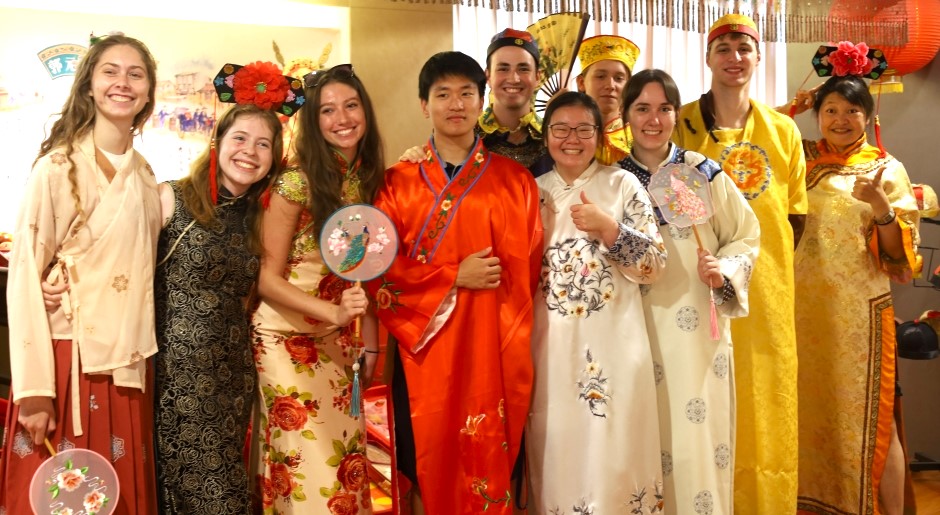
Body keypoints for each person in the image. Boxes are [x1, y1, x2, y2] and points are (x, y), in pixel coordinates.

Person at [369, 51, 542, 514]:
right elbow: (378, 272)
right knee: (427, 457)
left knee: (491, 460)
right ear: (424, 105)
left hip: (493, 345)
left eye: (467, 93)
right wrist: (452, 277)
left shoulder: (515, 181)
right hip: (425, 351)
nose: (455, 104)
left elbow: (528, 273)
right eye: (442, 94)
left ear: (481, 100)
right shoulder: (396, 183)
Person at [0, 34, 161, 514]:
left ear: (149, 92)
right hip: (66, 357)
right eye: (110, 71)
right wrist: (33, 391)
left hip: (127, 364)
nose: (123, 83)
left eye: (136, 74)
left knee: (121, 496)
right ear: (89, 85)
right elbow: (27, 270)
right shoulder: (56, 168)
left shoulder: (148, 177)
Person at [153, 60, 300, 514]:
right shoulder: (169, 198)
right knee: (219, 500)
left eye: (263, 144)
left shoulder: (260, 216)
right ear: (217, 142)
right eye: (240, 139)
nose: (250, 152)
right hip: (176, 379)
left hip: (232, 378)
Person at [674, 13, 807, 512]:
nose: (735, 58)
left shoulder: (784, 130)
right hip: (699, 284)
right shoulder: (683, 123)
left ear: (757, 57)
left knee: (767, 394)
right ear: (708, 57)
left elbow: (796, 218)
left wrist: (755, 269)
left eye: (744, 49)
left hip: (767, 288)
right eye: (724, 48)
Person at [618, 69, 760, 515]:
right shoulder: (613, 179)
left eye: (664, 108)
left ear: (677, 115)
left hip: (698, 330)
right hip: (636, 329)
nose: (653, 119)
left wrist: (725, 268)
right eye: (642, 108)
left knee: (696, 437)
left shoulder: (702, 171)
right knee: (644, 436)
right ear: (626, 116)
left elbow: (745, 235)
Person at [250, 63, 382, 514]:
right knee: (310, 468)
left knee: (345, 461)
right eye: (327, 111)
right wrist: (332, 314)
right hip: (284, 341)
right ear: (313, 121)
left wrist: (364, 336)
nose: (342, 118)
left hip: (338, 340)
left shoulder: (367, 179)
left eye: (351, 105)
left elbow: (364, 271)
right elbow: (265, 279)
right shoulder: (294, 181)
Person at [525, 90, 666, 512]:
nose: (572, 138)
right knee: (557, 446)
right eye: (560, 129)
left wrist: (610, 229)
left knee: (614, 450)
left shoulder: (622, 184)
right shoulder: (532, 193)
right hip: (550, 346)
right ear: (546, 136)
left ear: (599, 134)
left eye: (583, 129)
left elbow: (655, 265)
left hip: (615, 346)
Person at [794, 71, 921, 515]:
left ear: (868, 116)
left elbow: (900, 258)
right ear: (816, 115)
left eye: (852, 110)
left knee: (872, 421)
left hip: (860, 317)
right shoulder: (801, 159)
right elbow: (754, 137)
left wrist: (882, 207)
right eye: (830, 109)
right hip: (799, 311)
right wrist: (796, 102)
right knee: (804, 413)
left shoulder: (886, 168)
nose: (841, 119)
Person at [477, 28, 553, 176]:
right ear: (488, 76)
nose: (513, 79)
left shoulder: (553, 137)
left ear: (538, 77)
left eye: (523, 69)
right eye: (503, 69)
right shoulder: (469, 137)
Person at [576, 35, 640, 165]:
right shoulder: (568, 135)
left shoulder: (640, 137)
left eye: (619, 78)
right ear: (581, 83)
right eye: (600, 76)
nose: (610, 85)